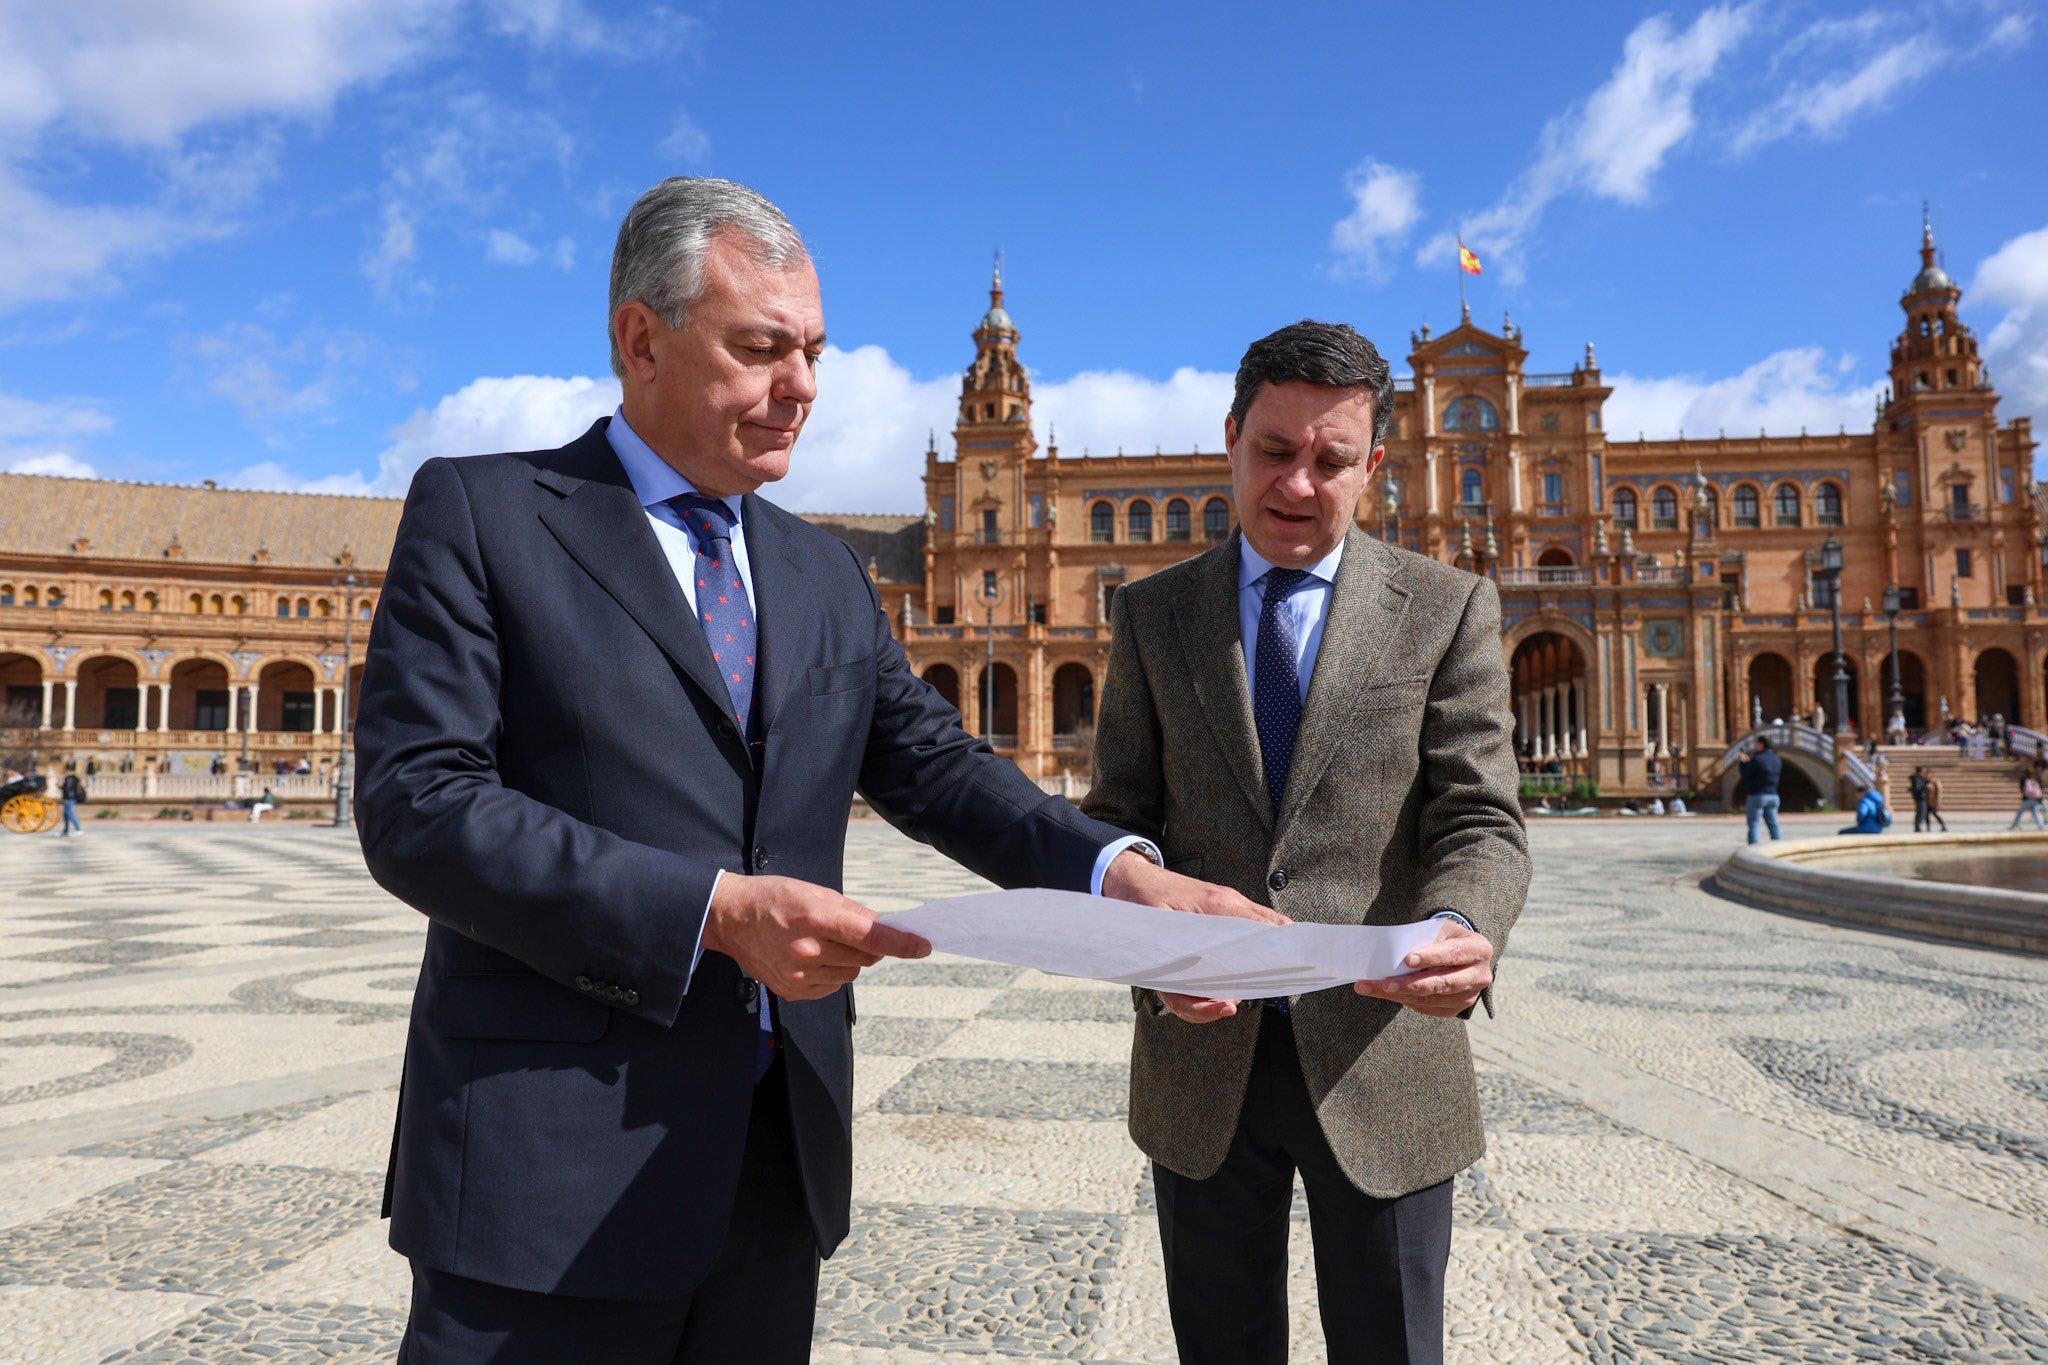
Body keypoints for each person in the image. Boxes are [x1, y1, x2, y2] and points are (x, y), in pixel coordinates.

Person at [354, 177, 1276, 1364]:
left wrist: (1123, 878)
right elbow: (417, 805)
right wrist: (711, 912)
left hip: (772, 1159)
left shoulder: (820, 571)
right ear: (640, 338)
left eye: (813, 352)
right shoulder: (484, 515)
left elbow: (937, 768)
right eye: (758, 348)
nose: (801, 387)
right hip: (540, 1163)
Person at [1082, 320, 1530, 1365]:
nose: (1297, 484)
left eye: (1330, 460)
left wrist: (1463, 922)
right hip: (1200, 1058)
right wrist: (1151, 941)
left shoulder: (1445, 607)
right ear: (1229, 440)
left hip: (1384, 1056)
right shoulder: (1152, 615)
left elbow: (1478, 815)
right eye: (1273, 451)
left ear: (1373, 465)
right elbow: (1117, 815)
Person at [1739, 736, 1783, 844]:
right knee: (1773, 824)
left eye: (1756, 744)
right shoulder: (1777, 759)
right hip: (1773, 795)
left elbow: (1747, 774)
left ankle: (1753, 848)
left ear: (1762, 744)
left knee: (1754, 824)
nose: (1755, 746)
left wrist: (1743, 763)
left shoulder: (1758, 759)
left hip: (1757, 795)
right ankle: (1778, 845)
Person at [58, 771, 85, 836]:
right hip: (71, 798)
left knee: (70, 814)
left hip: (69, 798)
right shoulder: (74, 778)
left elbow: (67, 788)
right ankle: (65, 831)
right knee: (66, 815)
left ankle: (78, 829)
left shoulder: (69, 778)